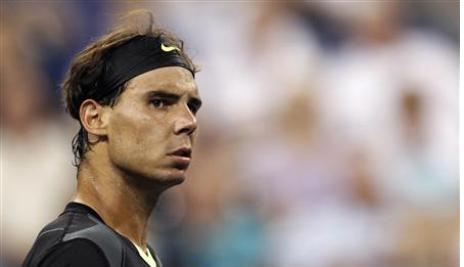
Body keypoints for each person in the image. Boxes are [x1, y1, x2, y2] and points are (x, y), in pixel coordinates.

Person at [22, 9, 202, 267]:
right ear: (95, 118)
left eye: (192, 107)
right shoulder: (79, 252)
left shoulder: (131, 252)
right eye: (159, 102)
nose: (188, 122)